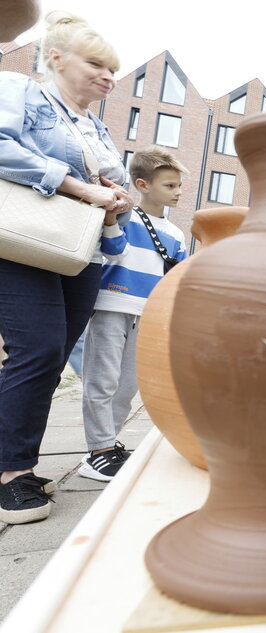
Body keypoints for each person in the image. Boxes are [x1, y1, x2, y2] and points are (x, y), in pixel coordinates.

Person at [0, 11, 132, 524]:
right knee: (38, 349)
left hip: (81, 251)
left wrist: (114, 198)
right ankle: (10, 476)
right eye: (97, 63)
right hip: (23, 244)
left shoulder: (94, 125)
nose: (108, 76)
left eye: (113, 69)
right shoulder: (20, 89)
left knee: (49, 360)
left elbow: (105, 184)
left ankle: (18, 463)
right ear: (55, 57)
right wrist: (78, 186)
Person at [79, 146, 188, 481]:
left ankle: (107, 445)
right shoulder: (127, 216)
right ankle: (97, 451)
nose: (178, 192)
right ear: (142, 185)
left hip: (147, 315)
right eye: (169, 186)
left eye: (178, 185)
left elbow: (175, 279)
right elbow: (113, 249)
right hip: (113, 304)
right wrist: (112, 219)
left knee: (127, 385)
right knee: (103, 380)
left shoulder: (176, 234)